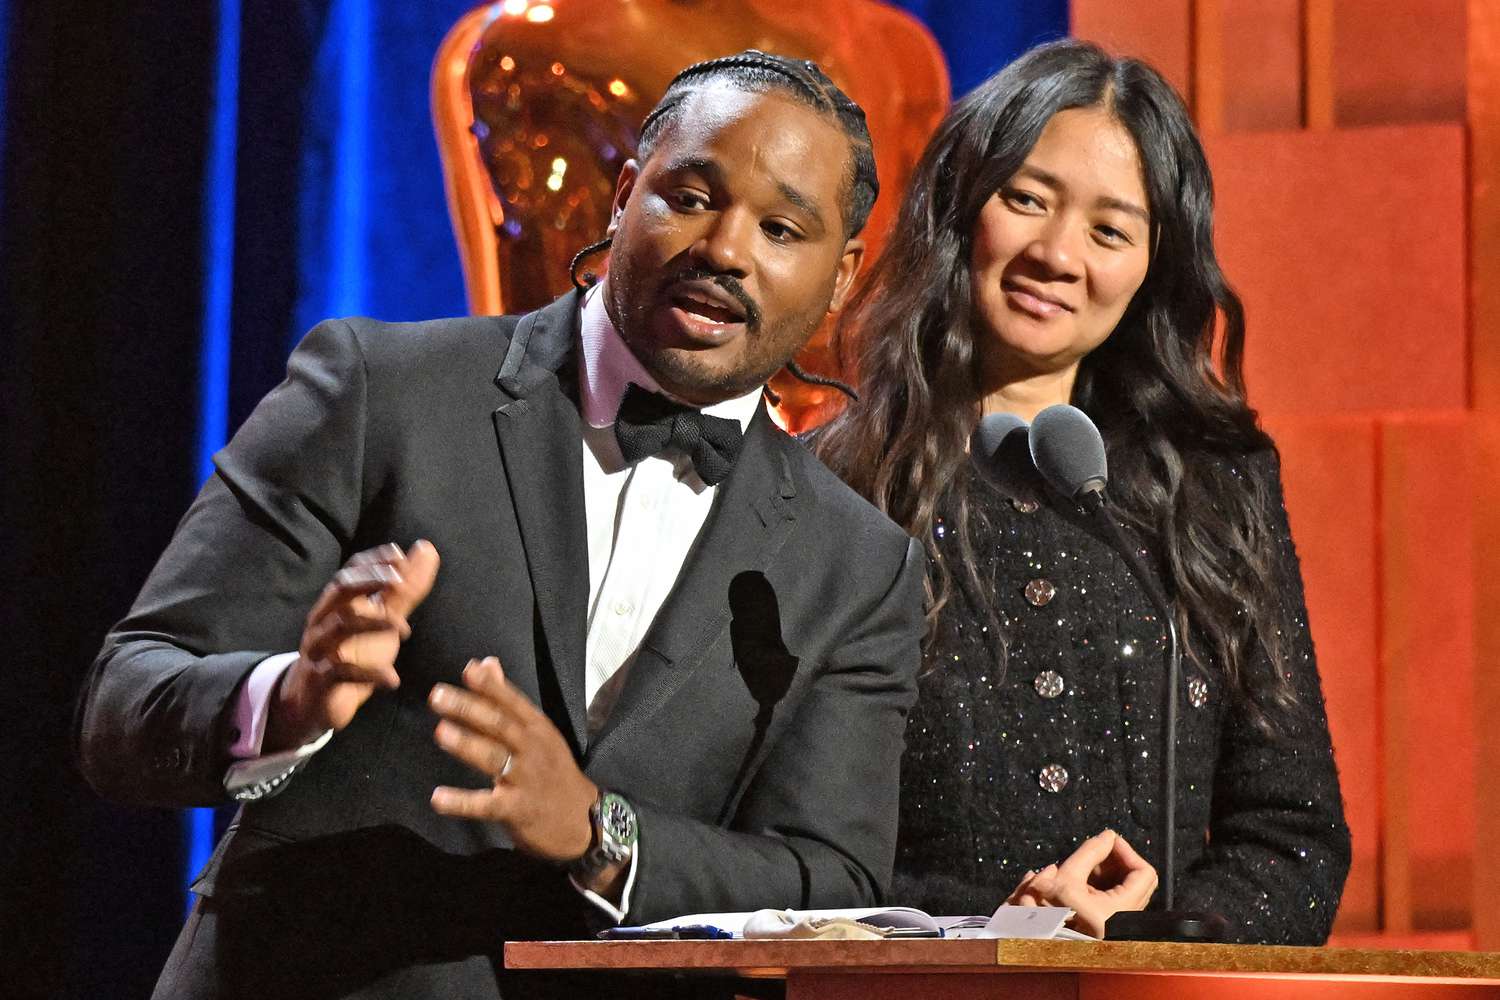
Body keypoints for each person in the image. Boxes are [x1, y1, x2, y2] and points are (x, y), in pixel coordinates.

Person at [75, 51, 925, 999]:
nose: (724, 250)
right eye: (689, 196)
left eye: (779, 228)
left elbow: (833, 883)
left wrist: (604, 835)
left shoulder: (857, 565)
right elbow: (125, 705)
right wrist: (287, 701)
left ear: (843, 276)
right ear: (620, 196)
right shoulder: (381, 390)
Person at [814, 39, 1350, 943]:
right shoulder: (834, 485)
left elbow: (1294, 833)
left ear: (1153, 264)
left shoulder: (1216, 483)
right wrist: (987, 929)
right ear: (960, 205)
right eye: (1026, 199)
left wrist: (1159, 933)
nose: (1058, 254)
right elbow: (801, 842)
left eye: (1110, 230)